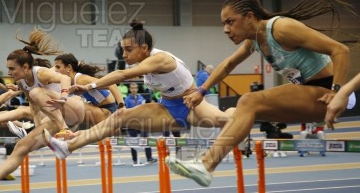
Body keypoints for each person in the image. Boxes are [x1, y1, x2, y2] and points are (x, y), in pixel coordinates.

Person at [165, 0, 358, 187]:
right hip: (309, 95)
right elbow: (229, 64)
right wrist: (201, 91)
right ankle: (211, 162)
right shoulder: (255, 40)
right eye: (224, 23)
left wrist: (337, 92)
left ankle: (206, 165)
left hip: (327, 92)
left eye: (230, 21)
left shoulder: (281, 28)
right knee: (242, 111)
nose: (225, 29)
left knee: (249, 101)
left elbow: (340, 50)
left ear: (249, 17)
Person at [42, 20, 234, 168]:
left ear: (144, 48)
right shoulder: (143, 62)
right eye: (122, 50)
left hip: (192, 104)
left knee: (225, 120)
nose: (124, 55)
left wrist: (90, 85)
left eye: (128, 50)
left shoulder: (160, 59)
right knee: (120, 116)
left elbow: (122, 74)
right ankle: (67, 147)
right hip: (167, 107)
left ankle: (239, 112)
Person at [0, 28, 85, 193]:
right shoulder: (23, 83)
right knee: (21, 146)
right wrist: (38, 129)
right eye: (8, 68)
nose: (9, 73)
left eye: (12, 69)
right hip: (56, 118)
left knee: (34, 95)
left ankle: (65, 131)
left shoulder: (40, 73)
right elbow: (34, 108)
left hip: (74, 109)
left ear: (26, 67)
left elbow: (65, 78)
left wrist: (63, 96)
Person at [53, 53, 124, 129]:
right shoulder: (69, 83)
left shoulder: (80, 79)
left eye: (58, 67)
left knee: (68, 107)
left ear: (69, 67)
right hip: (97, 108)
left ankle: (63, 132)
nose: (56, 71)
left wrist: (121, 106)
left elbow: (111, 84)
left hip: (108, 110)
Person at [125, 82, 157, 164]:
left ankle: (149, 158)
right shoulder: (127, 99)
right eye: (132, 88)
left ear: (137, 89)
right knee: (133, 141)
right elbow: (128, 111)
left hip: (142, 122)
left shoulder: (141, 97)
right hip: (132, 123)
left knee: (146, 139)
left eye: (135, 88)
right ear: (130, 89)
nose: (133, 90)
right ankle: (135, 160)